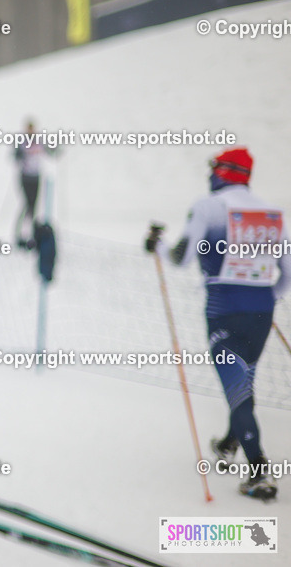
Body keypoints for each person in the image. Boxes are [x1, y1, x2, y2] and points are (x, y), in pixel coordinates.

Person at [146, 147, 290, 501]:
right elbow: (288, 272)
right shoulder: (271, 212)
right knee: (244, 379)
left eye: (213, 168)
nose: (209, 174)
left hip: (223, 311)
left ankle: (259, 471)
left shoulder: (208, 206)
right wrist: (269, 294)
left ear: (224, 171)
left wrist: (157, 246)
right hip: (260, 311)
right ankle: (229, 443)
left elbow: (182, 256)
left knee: (238, 389)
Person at [14, 120, 52, 246]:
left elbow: (49, 150)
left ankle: (32, 235)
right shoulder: (22, 141)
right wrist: (18, 154)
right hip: (25, 177)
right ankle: (19, 234)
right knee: (27, 205)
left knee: (33, 207)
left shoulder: (39, 141)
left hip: (36, 177)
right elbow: (15, 155)